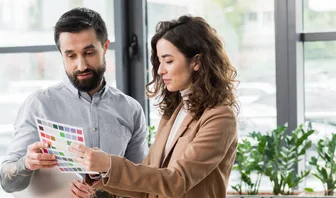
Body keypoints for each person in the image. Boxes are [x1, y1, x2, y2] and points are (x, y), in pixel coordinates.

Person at [69, 15, 239, 198]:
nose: (160, 70)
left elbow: (177, 181)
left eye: (169, 61)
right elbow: (147, 184)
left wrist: (109, 164)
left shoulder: (220, 117)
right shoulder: (174, 112)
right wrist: (100, 174)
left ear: (196, 62)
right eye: (159, 61)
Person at [0, 7, 149, 198]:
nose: (81, 65)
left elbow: (141, 185)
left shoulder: (130, 110)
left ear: (105, 47)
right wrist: (26, 163)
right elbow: (7, 182)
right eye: (71, 55)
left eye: (89, 52)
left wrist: (99, 194)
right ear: (61, 54)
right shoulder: (39, 105)